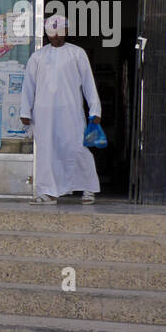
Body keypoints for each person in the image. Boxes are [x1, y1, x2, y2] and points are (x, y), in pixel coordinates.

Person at [20, 14, 102, 205]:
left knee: (77, 148)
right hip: (43, 113)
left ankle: (89, 188)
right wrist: (25, 112)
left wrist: (95, 110)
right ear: (47, 34)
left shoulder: (77, 53)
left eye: (59, 32)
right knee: (46, 151)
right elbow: (28, 86)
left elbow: (88, 83)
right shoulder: (38, 56)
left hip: (70, 110)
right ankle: (48, 192)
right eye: (51, 33)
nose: (55, 37)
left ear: (66, 32)